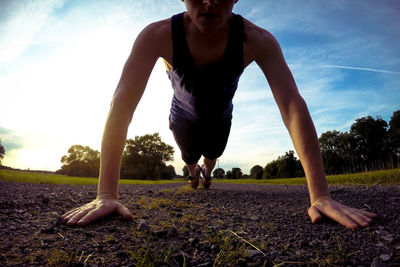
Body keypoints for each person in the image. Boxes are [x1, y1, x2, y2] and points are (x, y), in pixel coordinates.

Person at [62, 0, 376, 228]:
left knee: (211, 153)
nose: (209, 2)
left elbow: (292, 105)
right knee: (188, 155)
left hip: (221, 118)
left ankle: (206, 173)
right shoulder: (157, 35)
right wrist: (106, 194)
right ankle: (192, 172)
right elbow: (122, 104)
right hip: (181, 117)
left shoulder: (257, 40)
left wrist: (320, 195)